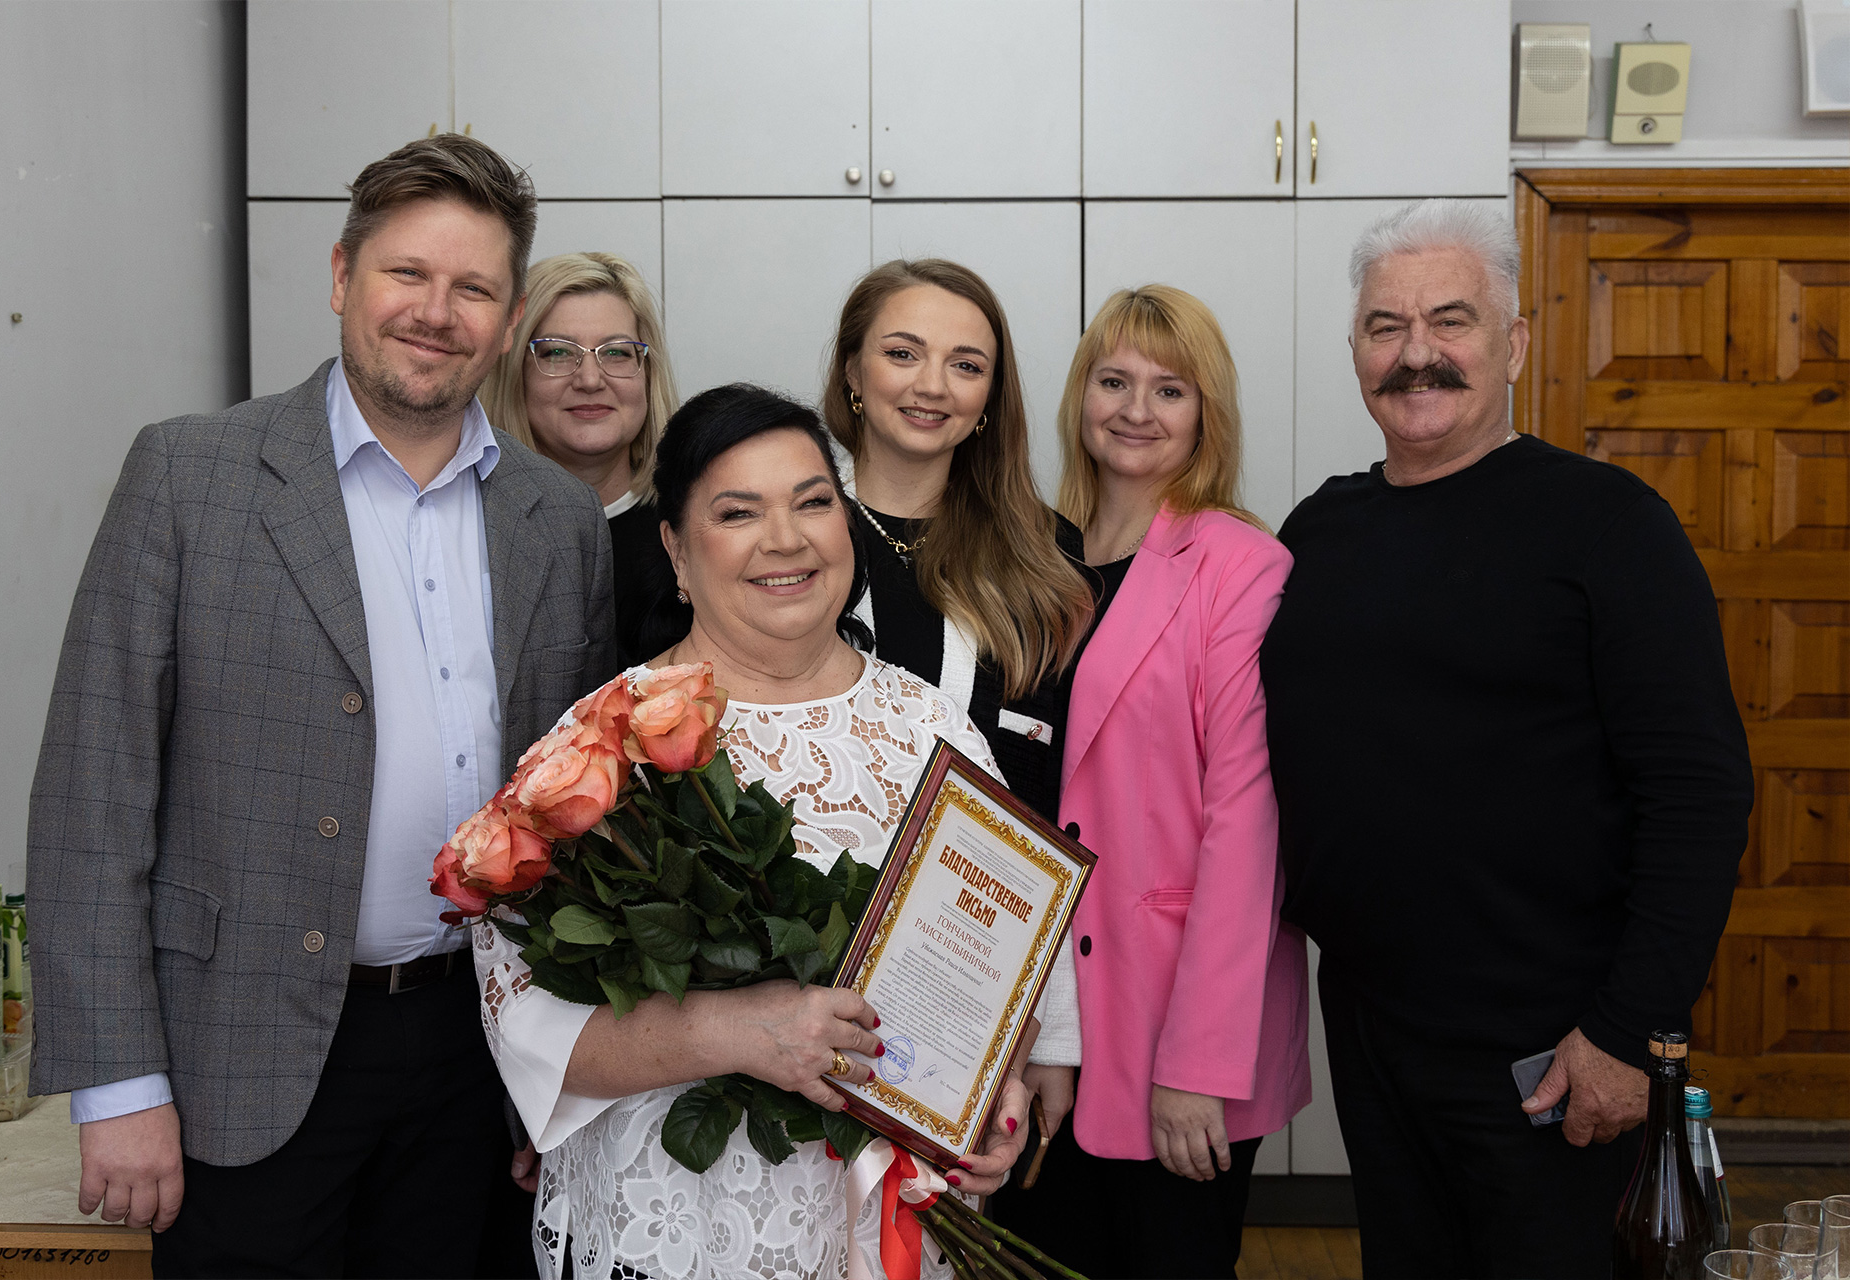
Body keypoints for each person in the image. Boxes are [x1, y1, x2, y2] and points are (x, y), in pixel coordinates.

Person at [25, 134, 615, 1276]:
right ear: (342, 276)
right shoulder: (188, 477)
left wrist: (559, 1078)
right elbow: (91, 797)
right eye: (407, 273)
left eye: (473, 288)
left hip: (475, 1059)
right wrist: (117, 1083)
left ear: (508, 320)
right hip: (238, 1057)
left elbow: (572, 817)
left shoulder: (558, 519)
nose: (435, 311)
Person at [1259, 199, 1753, 1278]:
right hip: (1373, 1026)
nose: (1417, 353)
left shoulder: (1611, 525)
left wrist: (1628, 1031)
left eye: (1452, 320)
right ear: (1356, 351)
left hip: (1556, 1043)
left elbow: (1699, 792)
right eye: (1386, 326)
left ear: (1514, 343)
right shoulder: (1320, 531)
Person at [474, 384, 1057, 1280]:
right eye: (738, 512)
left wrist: (992, 1099)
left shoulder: (933, 727)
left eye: (813, 502)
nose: (785, 539)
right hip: (681, 1221)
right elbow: (523, 1018)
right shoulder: (601, 750)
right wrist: (736, 1031)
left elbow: (1005, 966)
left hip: (890, 1219)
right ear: (676, 549)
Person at [990, 286, 1311, 1279]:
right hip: (1048, 1010)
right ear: (1079, 396)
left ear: (1206, 412)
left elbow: (1247, 825)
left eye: (1170, 389)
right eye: (1114, 381)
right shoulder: (1039, 558)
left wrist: (1198, 1063)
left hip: (1175, 1011)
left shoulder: (1241, 565)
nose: (1137, 409)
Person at [820, 259, 1094, 824]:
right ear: (852, 371)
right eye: (902, 354)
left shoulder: (1047, 551)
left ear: (991, 394)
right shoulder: (790, 538)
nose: (932, 386)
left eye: (966, 365)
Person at [482, 251, 680, 664]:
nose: (590, 379)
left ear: (648, 374)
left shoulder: (694, 526)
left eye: (617, 352)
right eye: (557, 352)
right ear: (514, 374)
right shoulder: (470, 530)